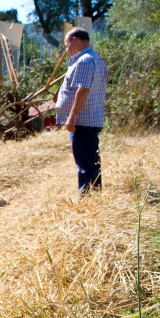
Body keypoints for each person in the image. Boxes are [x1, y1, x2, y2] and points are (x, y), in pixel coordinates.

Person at [56, 28, 108, 195]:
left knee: (85, 162)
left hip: (82, 120)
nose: (67, 49)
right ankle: (95, 193)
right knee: (92, 160)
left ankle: (86, 196)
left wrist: (72, 117)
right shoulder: (96, 58)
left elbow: (83, 90)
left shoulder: (84, 61)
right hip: (91, 118)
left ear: (75, 40)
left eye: (67, 45)